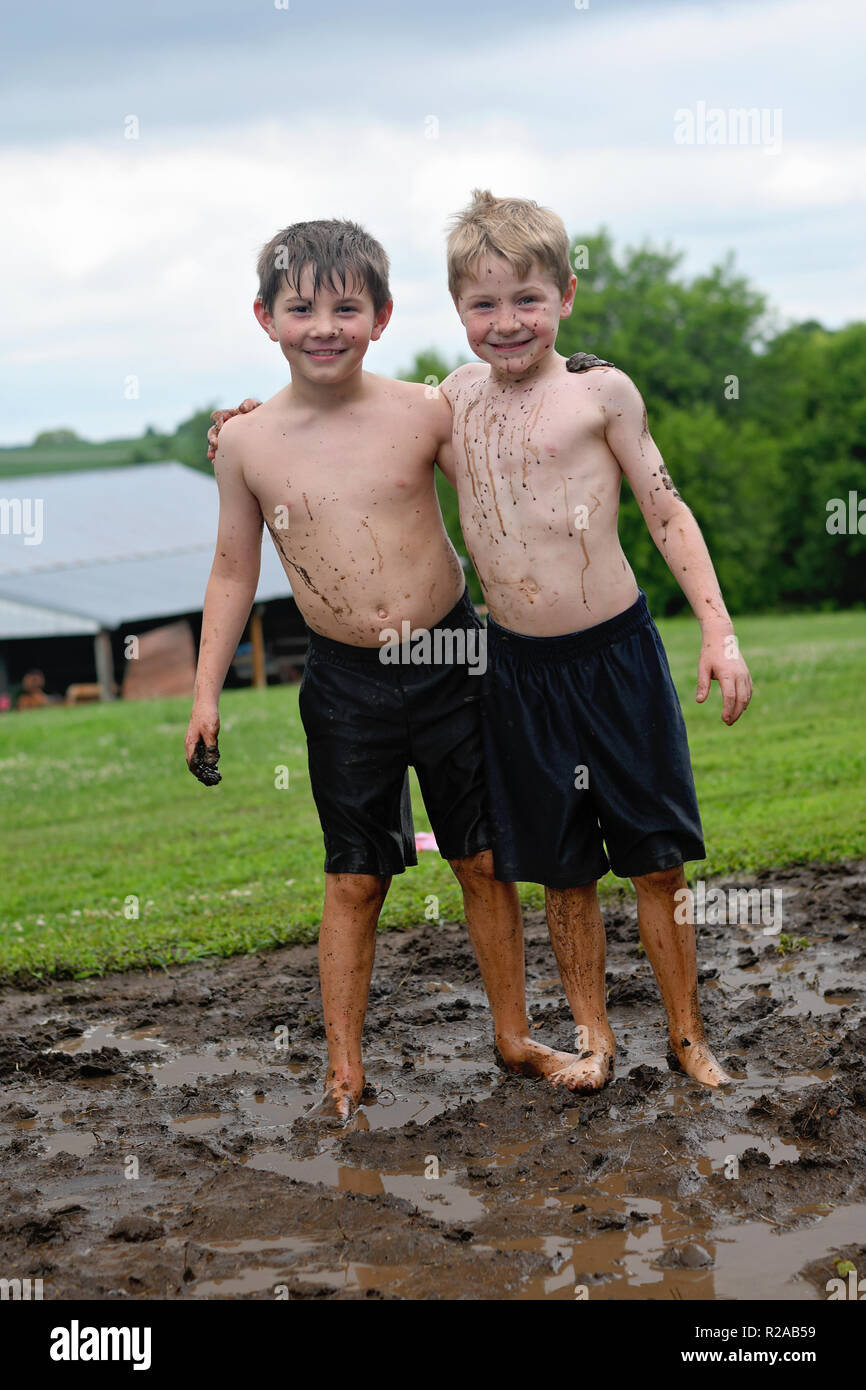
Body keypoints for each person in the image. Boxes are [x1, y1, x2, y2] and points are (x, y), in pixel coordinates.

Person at [188, 218, 585, 1123]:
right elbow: (230, 572)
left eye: (345, 308)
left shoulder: (426, 409)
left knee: (484, 860)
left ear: (383, 315)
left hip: (454, 659)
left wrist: (581, 370)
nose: (323, 326)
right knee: (355, 877)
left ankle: (515, 1037)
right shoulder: (247, 444)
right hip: (345, 685)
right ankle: (343, 1072)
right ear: (265, 317)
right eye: (301, 309)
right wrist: (205, 691)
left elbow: (514, 436)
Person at [437, 190, 754, 1089]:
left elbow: (665, 509)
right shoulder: (447, 403)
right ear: (458, 311)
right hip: (519, 672)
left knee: (656, 860)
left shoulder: (600, 391)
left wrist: (719, 634)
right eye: (484, 304)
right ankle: (593, 1036)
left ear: (566, 295)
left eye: (527, 299)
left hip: (617, 657)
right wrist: (250, 416)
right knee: (561, 871)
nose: (507, 323)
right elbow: (349, 416)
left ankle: (689, 1037)